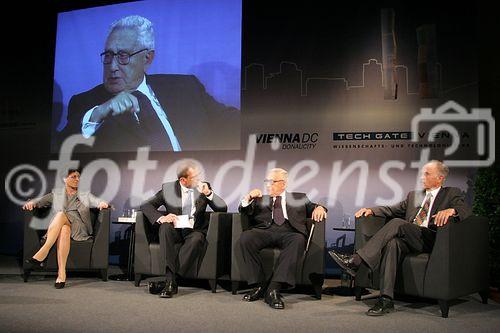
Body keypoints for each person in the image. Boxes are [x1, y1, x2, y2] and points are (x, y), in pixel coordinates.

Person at [63, 15, 239, 152]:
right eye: (108, 56)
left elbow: (230, 121)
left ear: (147, 58)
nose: (113, 66)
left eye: (123, 56)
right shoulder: (85, 103)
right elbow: (64, 149)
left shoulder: (185, 87)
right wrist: (98, 114)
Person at [329, 160, 471, 316]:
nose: (422, 177)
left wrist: (451, 210)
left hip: (433, 239)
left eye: (427, 174)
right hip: (410, 238)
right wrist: (370, 210)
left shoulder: (451, 193)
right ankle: (386, 299)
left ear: (440, 178)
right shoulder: (414, 196)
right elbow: (392, 209)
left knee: (397, 223)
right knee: (392, 244)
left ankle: (357, 261)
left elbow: (464, 209)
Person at [239, 168, 327, 310]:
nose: (268, 185)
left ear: (283, 184)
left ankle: (274, 288)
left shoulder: (299, 198)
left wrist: (320, 208)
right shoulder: (260, 199)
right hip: (265, 231)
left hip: (290, 232)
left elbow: (313, 207)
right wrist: (248, 198)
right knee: (246, 238)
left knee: (298, 240)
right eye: (266, 181)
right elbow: (244, 211)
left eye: (272, 182)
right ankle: (259, 285)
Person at [140, 160, 227, 298]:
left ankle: (169, 282)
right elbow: (146, 205)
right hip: (175, 230)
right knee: (164, 228)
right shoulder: (168, 189)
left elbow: (223, 208)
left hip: (194, 231)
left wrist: (209, 193)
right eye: (195, 177)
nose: (199, 179)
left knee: (197, 238)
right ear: (183, 180)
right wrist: (161, 218)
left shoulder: (203, 188)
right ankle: (170, 282)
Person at [22, 169, 110, 289]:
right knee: (63, 228)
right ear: (65, 179)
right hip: (62, 227)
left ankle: (44, 251)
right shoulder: (56, 194)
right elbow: (40, 201)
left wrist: (102, 203)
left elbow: (96, 201)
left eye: (78, 177)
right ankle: (61, 274)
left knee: (60, 215)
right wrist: (31, 202)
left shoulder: (85, 194)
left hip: (78, 228)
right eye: (73, 177)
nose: (77, 179)